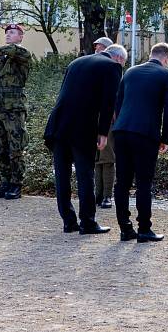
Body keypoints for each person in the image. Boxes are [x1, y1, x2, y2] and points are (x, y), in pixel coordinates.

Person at [44, 44, 126, 233]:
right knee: (85, 174)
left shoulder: (76, 62)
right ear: (119, 59)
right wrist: (103, 133)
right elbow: (109, 102)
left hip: (58, 124)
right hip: (82, 127)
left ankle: (68, 221)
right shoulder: (112, 67)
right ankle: (87, 222)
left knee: (62, 175)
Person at [112, 42, 168, 243]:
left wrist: (120, 124)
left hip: (121, 131)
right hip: (145, 134)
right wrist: (165, 138)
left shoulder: (130, 72)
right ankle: (144, 229)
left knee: (121, 182)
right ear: (166, 58)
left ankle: (125, 228)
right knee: (143, 183)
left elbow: (118, 103)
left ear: (151, 54)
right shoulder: (167, 75)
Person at [0, 23, 32, 200]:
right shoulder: (0, 58)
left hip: (14, 109)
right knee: (0, 147)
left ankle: (16, 184)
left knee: (15, 148)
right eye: (7, 33)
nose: (8, 35)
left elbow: (10, 50)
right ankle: (5, 182)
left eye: (12, 32)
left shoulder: (22, 54)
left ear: (20, 37)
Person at [94, 36, 118, 209]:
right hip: (93, 118)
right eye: (96, 48)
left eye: (101, 48)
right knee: (95, 159)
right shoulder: (91, 66)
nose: (97, 50)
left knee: (107, 158)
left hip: (108, 119)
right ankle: (98, 194)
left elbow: (115, 95)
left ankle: (107, 196)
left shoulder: (113, 68)